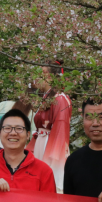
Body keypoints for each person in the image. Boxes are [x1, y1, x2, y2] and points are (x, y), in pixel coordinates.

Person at [30, 63, 71, 191]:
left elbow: (60, 131)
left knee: (49, 181)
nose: (36, 78)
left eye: (41, 73)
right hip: (42, 142)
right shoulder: (48, 97)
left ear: (50, 76)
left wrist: (53, 160)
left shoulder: (60, 99)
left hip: (51, 144)